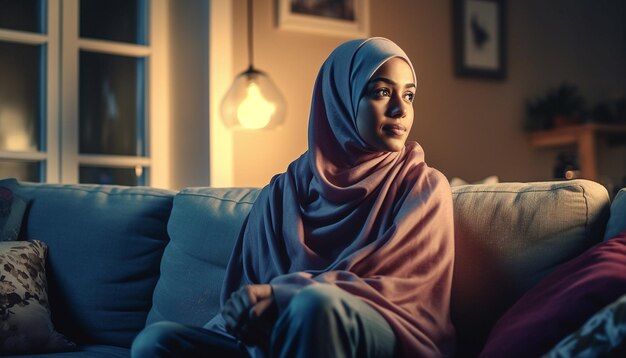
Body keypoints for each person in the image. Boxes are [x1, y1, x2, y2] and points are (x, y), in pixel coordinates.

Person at [132, 37, 456, 358]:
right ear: (338, 101)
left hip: (390, 326)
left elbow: (405, 289)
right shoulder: (282, 192)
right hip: (281, 331)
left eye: (409, 95)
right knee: (156, 341)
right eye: (382, 92)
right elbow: (246, 292)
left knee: (315, 305)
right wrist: (247, 311)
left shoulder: (422, 186)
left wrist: (285, 294)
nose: (401, 109)